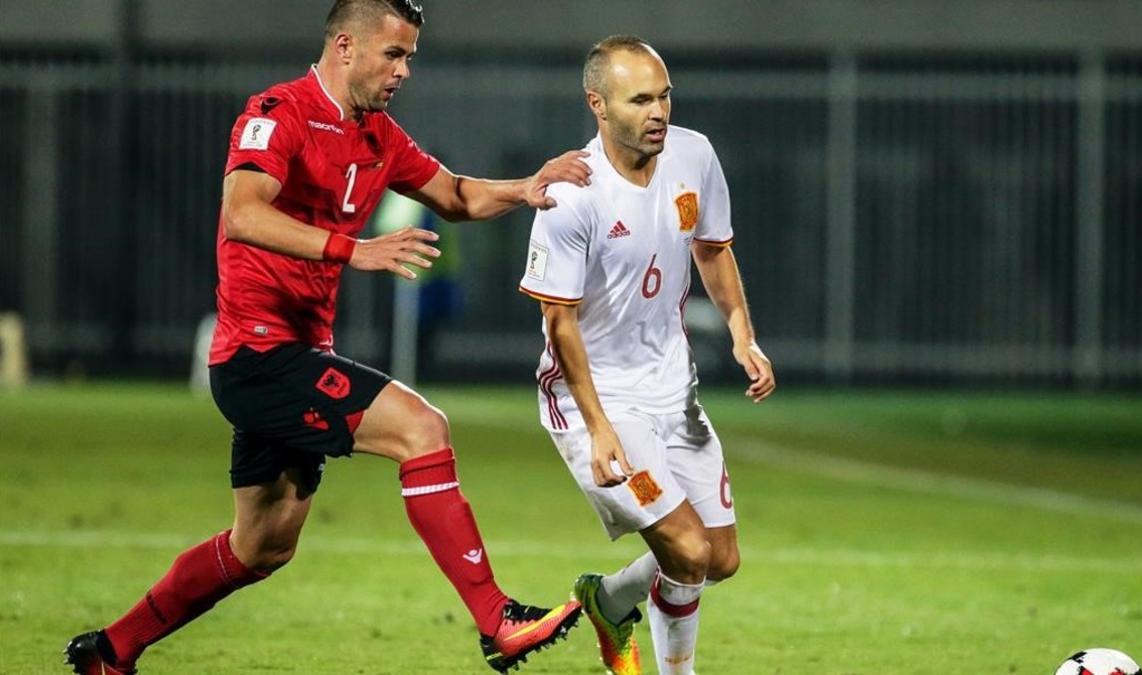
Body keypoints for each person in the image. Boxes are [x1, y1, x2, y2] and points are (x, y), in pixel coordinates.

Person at [64, 2, 591, 673]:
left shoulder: (380, 137)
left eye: (410, 59)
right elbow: (242, 212)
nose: (403, 71)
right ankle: (497, 619)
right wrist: (353, 250)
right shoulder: (277, 112)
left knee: (261, 546)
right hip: (257, 353)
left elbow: (455, 194)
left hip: (295, 356)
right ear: (346, 45)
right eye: (392, 55)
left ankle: (111, 650)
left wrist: (526, 187)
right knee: (422, 428)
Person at [517, 36, 776, 675]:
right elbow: (560, 321)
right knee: (685, 552)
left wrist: (743, 334)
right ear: (597, 105)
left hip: (672, 389)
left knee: (721, 559)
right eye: (640, 100)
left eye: (664, 96)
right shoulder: (572, 194)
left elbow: (713, 248)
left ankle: (606, 601)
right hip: (597, 399)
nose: (658, 111)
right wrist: (600, 428)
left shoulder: (694, 154)